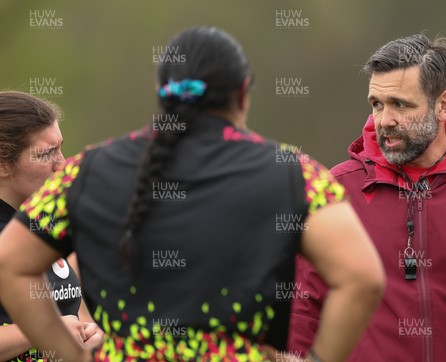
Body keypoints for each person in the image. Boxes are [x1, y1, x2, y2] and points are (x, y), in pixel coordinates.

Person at [0, 27, 385, 361]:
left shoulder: (86, 171)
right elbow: (362, 277)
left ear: (162, 94)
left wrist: (69, 355)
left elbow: (10, 265)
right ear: (243, 93)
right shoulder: (293, 171)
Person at [288, 34, 446, 361]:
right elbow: (302, 307)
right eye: (377, 104)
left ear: (443, 105)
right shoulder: (337, 189)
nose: (385, 120)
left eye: (401, 104)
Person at [0, 91, 103, 360]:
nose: (63, 164)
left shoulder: (44, 224)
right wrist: (45, 331)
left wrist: (90, 334)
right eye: (47, 154)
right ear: (3, 163)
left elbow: (73, 315)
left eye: (60, 148)